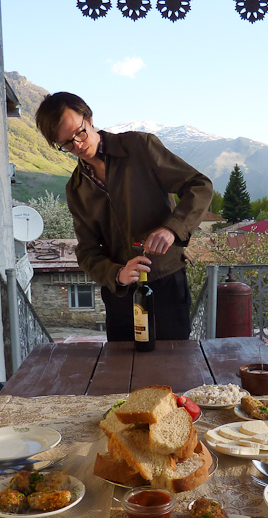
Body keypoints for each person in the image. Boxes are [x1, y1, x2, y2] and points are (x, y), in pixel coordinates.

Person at [35, 92, 213, 341]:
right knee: (122, 373)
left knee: (175, 366)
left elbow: (200, 185)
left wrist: (172, 228)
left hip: (166, 283)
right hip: (120, 295)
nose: (77, 145)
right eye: (66, 143)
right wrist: (116, 274)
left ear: (89, 118)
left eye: (79, 132)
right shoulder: (76, 189)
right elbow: (86, 252)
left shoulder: (141, 147)